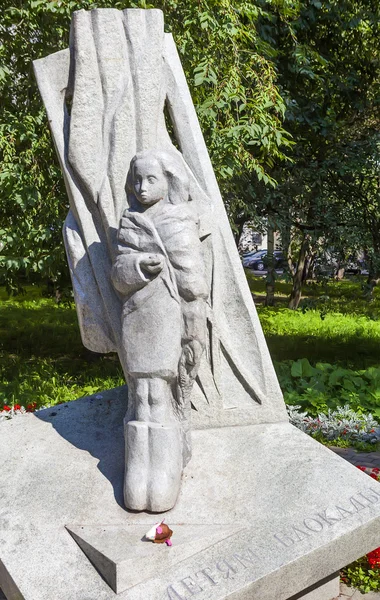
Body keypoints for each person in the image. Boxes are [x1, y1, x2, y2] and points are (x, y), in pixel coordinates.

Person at [111, 150, 208, 509]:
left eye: (151, 179)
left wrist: (193, 323)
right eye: (137, 179)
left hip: (169, 316)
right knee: (139, 397)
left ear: (169, 181)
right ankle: (137, 476)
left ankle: (164, 473)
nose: (142, 187)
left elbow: (193, 281)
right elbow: (119, 275)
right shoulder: (129, 221)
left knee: (159, 394)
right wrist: (138, 265)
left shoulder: (181, 220)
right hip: (137, 315)